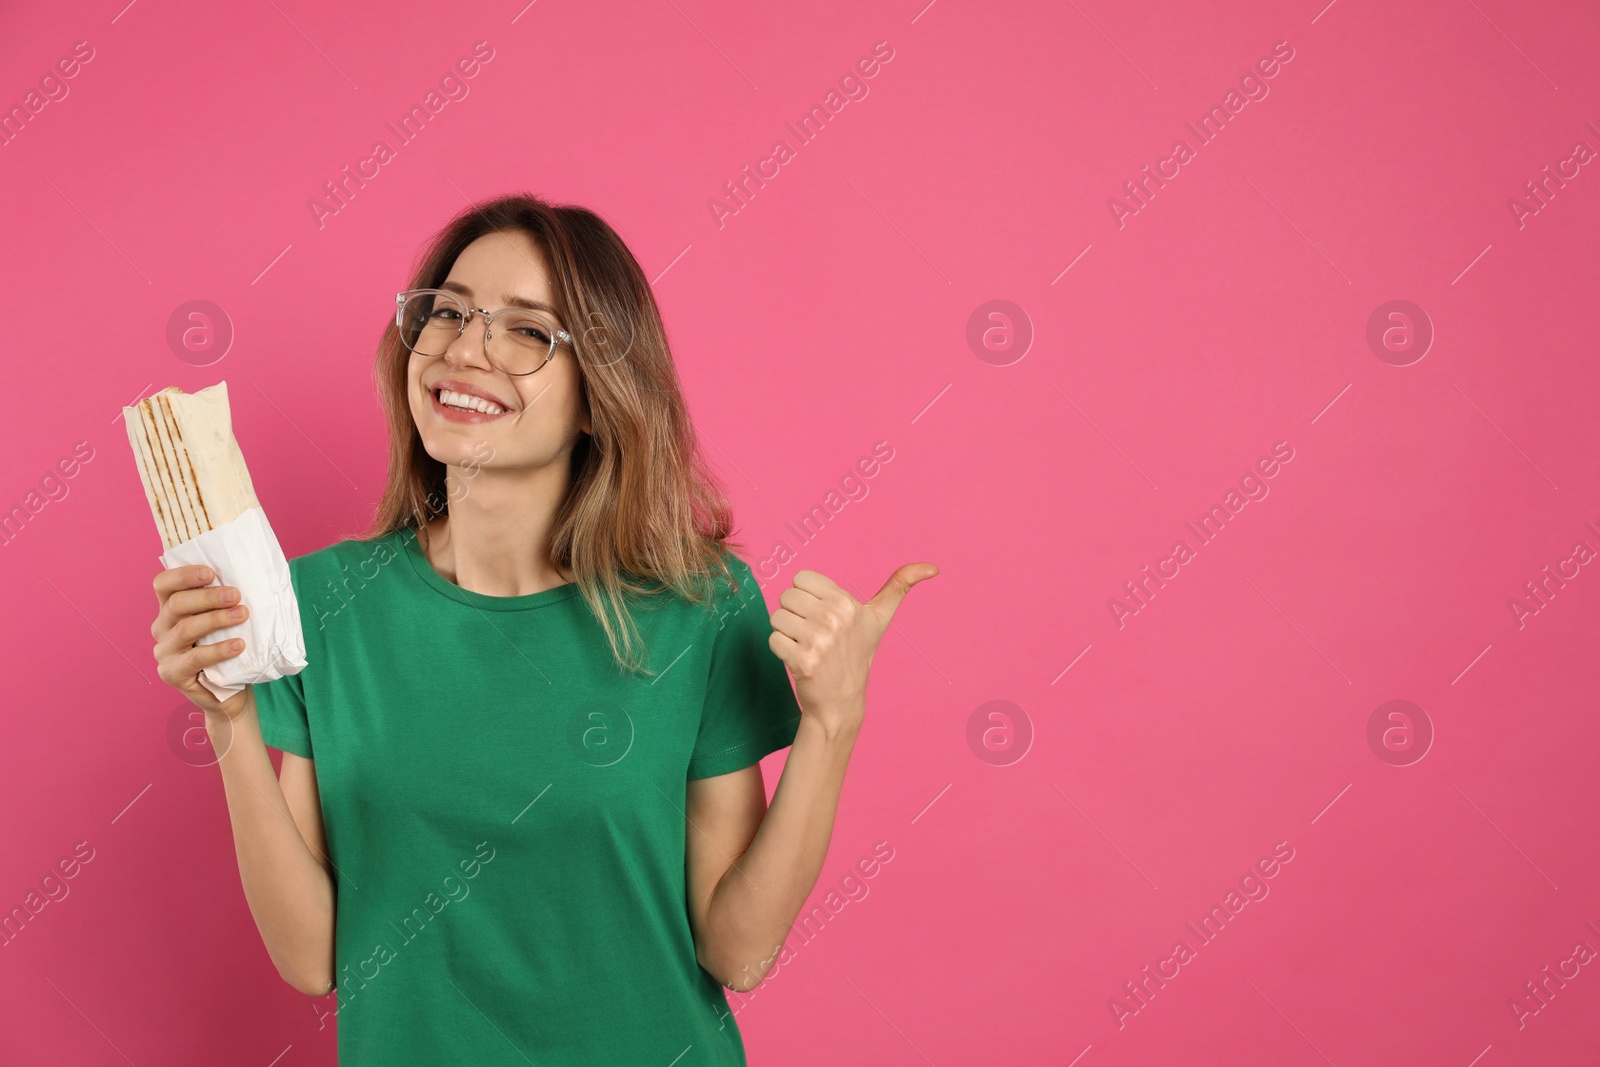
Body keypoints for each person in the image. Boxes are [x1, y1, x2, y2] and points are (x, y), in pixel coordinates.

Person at [148, 193, 937, 1065]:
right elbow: (310, 959)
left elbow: (737, 950)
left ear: (600, 395)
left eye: (526, 331)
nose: (464, 348)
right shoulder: (324, 602)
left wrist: (833, 722)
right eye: (448, 311)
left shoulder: (699, 605)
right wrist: (227, 716)